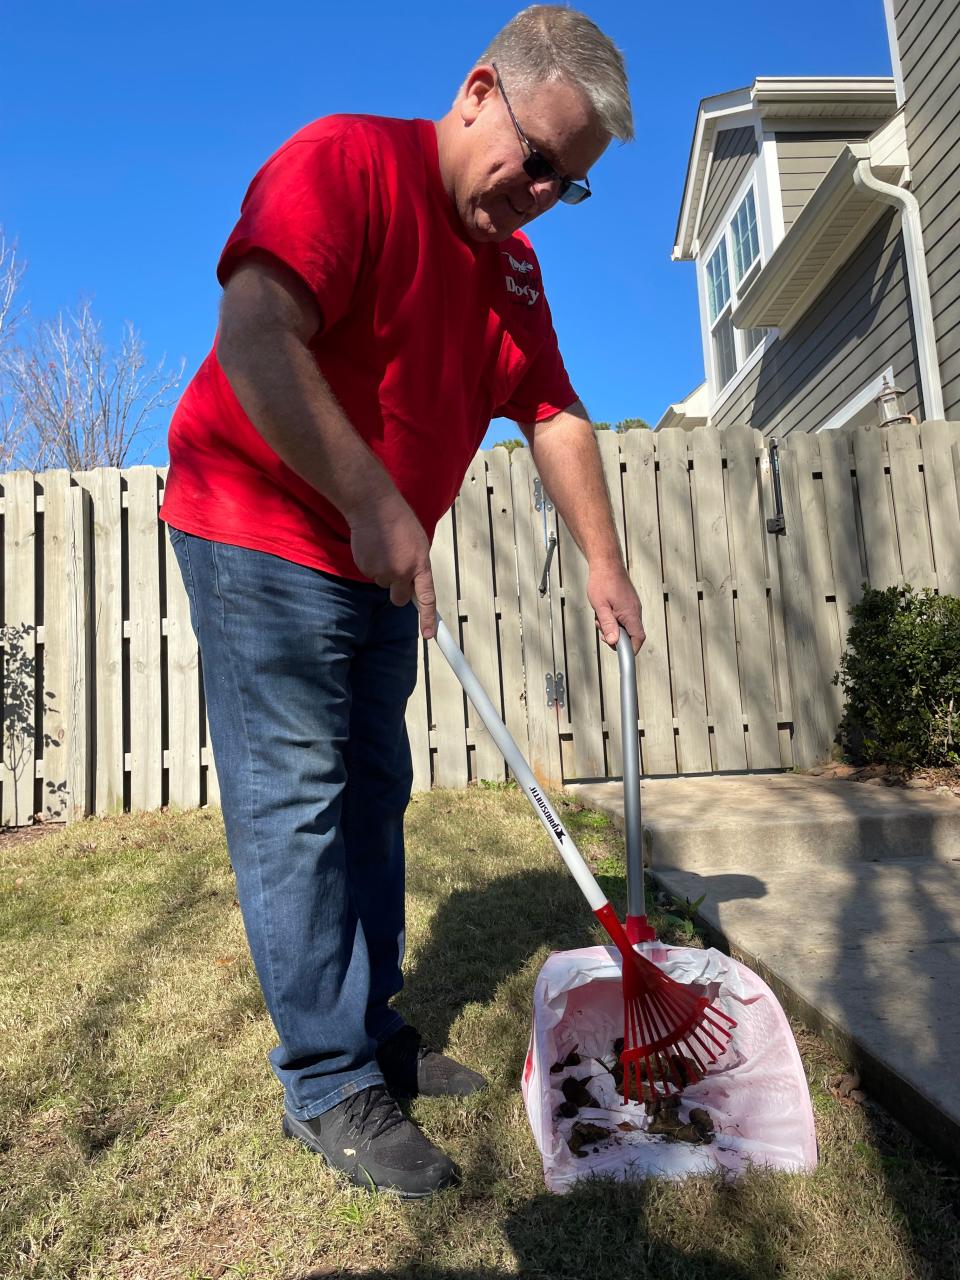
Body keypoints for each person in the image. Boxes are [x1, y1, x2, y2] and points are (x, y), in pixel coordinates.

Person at [160, 4, 644, 1199]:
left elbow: (554, 410)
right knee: (300, 799)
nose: (538, 193)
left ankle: (372, 1034)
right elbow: (256, 329)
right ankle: (326, 1083)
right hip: (257, 520)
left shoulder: (511, 269)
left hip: (379, 553)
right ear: (480, 89)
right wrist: (377, 501)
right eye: (537, 159)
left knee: (378, 786)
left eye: (566, 186)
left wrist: (605, 558)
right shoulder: (346, 161)